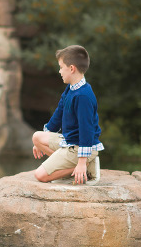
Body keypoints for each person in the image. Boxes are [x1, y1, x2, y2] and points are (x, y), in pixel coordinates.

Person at [32, 44, 103, 184]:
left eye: (61, 67)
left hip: (79, 147)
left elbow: (86, 130)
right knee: (37, 137)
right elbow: (58, 114)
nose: (59, 71)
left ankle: (85, 167)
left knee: (40, 175)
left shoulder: (83, 96)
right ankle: (71, 167)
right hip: (68, 142)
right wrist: (41, 142)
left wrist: (82, 161)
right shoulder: (70, 89)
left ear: (72, 68)